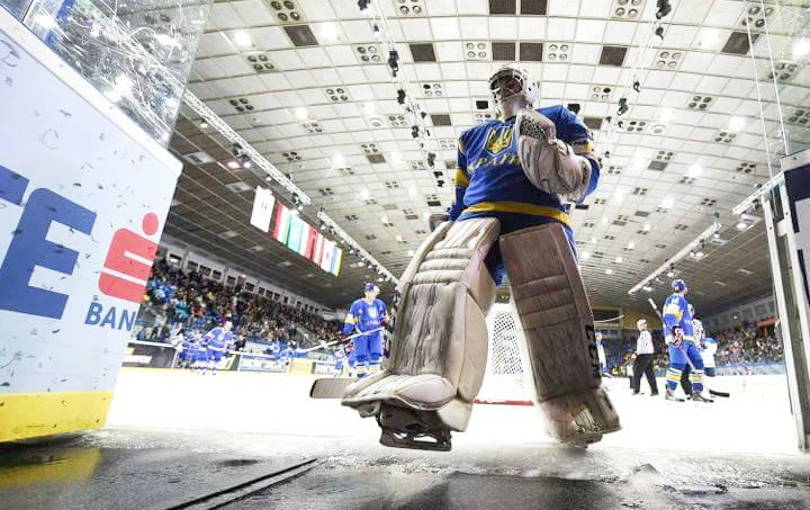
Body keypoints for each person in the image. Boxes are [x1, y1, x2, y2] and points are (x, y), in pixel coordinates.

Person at [342, 63, 618, 451]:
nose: (506, 86)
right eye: (499, 82)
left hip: (540, 219)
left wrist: (563, 162)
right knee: (438, 298)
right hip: (475, 219)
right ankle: (429, 403)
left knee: (557, 319)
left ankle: (573, 404)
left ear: (532, 87)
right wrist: (449, 221)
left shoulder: (555, 117)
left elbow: (589, 174)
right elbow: (460, 194)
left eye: (515, 79)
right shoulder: (471, 136)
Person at [662, 280, 712, 403]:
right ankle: (670, 392)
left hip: (689, 339)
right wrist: (675, 329)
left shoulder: (683, 302)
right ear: (684, 288)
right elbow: (669, 316)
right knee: (678, 364)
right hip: (679, 337)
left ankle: (697, 392)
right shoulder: (676, 299)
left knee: (698, 362)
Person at [341, 283, 388, 378]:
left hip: (376, 334)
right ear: (367, 292)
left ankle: (374, 376)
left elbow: (384, 317)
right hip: (361, 334)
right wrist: (346, 332)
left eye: (376, 293)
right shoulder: (357, 304)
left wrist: (386, 324)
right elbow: (350, 319)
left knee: (376, 354)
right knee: (360, 356)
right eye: (374, 292)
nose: (376, 294)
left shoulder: (379, 303)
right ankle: (361, 376)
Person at [631, 319, 659, 396]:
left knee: (636, 372)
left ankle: (636, 390)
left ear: (644, 325)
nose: (638, 327)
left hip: (643, 355)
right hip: (648, 355)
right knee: (649, 373)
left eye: (640, 325)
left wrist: (636, 353)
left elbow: (642, 346)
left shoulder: (644, 334)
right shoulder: (645, 334)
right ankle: (655, 391)